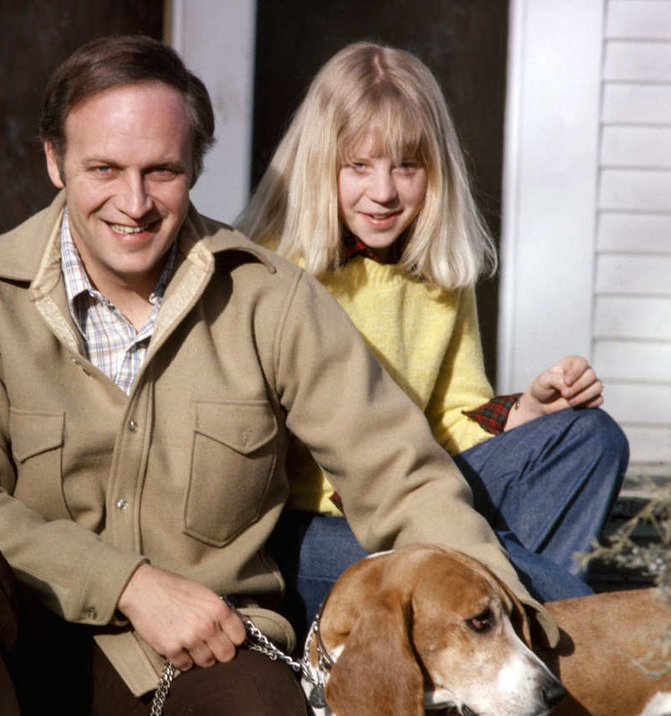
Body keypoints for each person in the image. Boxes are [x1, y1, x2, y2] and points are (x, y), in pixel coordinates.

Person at [0, 35, 560, 716]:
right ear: (53, 161)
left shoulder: (271, 300)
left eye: (160, 172)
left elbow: (402, 478)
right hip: (17, 640)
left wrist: (503, 649)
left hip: (203, 654)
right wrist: (129, 583)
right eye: (103, 169)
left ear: (194, 166)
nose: (132, 204)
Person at [235, 42, 628, 618]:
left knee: (591, 436)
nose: (385, 191)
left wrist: (527, 415)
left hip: (423, 492)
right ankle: (591, 640)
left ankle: (500, 657)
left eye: (406, 166)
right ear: (321, 165)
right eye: (358, 166)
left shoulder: (438, 273)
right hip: (312, 528)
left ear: (435, 170)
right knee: (471, 558)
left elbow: (447, 421)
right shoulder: (273, 272)